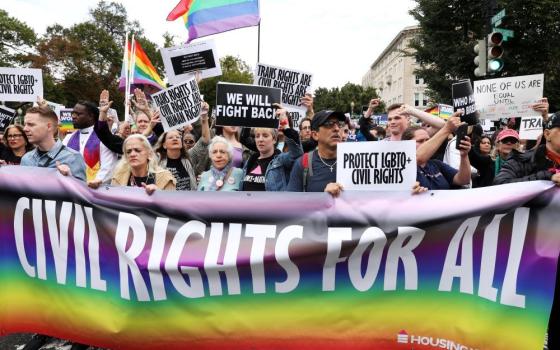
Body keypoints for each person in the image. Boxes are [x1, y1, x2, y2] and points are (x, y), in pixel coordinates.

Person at [241, 110, 303, 191]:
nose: (260, 139)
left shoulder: (281, 160)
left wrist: (285, 124)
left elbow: (297, 153)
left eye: (265, 135)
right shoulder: (250, 161)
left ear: (274, 139)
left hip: (272, 203)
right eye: (257, 136)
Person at [154, 102, 210, 191]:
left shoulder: (189, 157)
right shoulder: (157, 161)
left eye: (177, 137)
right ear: (164, 145)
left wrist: (204, 116)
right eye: (170, 137)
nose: (175, 139)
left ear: (181, 142)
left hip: (187, 203)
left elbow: (205, 140)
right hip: (167, 202)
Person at [20, 106, 86, 181]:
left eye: (31, 124)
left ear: (49, 126)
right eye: (25, 124)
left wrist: (70, 178)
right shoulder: (26, 159)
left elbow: (82, 191)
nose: (25, 129)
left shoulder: (72, 158)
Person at [61, 100, 117, 189]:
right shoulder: (68, 138)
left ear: (91, 116)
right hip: (70, 189)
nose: (73, 116)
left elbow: (108, 166)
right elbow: (60, 161)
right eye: (73, 113)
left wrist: (96, 182)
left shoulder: (104, 139)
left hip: (95, 191)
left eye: (78, 114)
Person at [493, 113, 560, 186]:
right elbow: (500, 184)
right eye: (505, 141)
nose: (509, 143)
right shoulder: (520, 161)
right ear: (547, 134)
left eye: (513, 141)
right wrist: (546, 176)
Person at [402, 122, 472, 190]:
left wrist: (464, 156)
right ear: (407, 144)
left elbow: (463, 180)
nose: (426, 143)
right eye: (420, 141)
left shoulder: (436, 164)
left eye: (428, 140)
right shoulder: (403, 166)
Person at [111, 134, 175, 194]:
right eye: (128, 152)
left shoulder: (164, 177)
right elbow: (112, 202)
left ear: (149, 154)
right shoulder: (118, 177)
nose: (132, 154)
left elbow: (172, 203)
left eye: (138, 150)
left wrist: (158, 194)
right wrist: (100, 188)